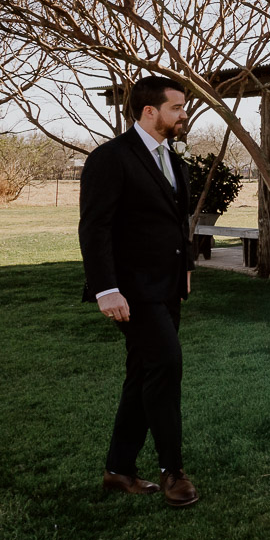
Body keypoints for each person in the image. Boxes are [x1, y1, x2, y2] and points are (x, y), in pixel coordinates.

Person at [79, 76, 200, 508]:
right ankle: (173, 471)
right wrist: (105, 288)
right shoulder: (110, 158)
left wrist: (185, 266)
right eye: (177, 108)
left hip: (168, 287)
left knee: (143, 374)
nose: (184, 115)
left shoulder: (173, 157)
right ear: (150, 111)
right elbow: (95, 228)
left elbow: (175, 220)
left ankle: (118, 470)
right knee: (166, 366)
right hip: (131, 291)